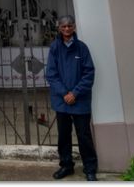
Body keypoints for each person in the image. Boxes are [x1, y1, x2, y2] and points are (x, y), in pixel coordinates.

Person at [46, 15, 98, 181]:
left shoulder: (82, 48)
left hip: (80, 100)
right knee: (64, 135)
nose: (67, 29)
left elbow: (89, 73)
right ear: (59, 28)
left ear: (74, 27)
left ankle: (90, 168)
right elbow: (51, 74)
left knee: (84, 136)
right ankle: (66, 165)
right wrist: (65, 94)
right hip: (62, 101)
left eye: (69, 26)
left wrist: (74, 93)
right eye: (63, 26)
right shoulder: (55, 48)